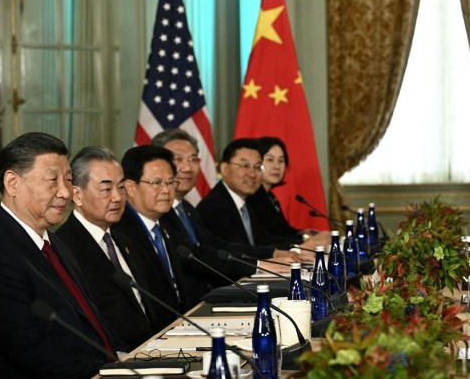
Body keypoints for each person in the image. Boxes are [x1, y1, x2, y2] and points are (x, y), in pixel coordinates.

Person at [0, 132, 117, 379]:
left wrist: (124, 359)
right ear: (13, 183)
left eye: (69, 180)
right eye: (53, 181)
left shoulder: (52, 240)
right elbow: (27, 347)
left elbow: (88, 318)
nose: (65, 192)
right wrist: (107, 370)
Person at [150, 129, 299, 281]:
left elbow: (217, 245)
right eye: (178, 159)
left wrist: (274, 254)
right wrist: (259, 264)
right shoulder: (163, 211)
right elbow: (196, 255)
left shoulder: (187, 208)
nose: (187, 168)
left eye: (193, 159)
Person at [56, 146, 160, 350]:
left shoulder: (125, 240)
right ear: (76, 195)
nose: (117, 198)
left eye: (121, 188)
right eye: (106, 189)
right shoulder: (64, 248)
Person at [112, 145, 209, 326]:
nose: (166, 190)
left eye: (170, 182)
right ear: (131, 187)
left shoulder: (166, 228)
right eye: (156, 183)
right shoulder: (120, 233)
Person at [246, 136, 331, 247]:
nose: (277, 166)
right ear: (257, 163)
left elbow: (282, 230)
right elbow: (268, 237)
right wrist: (304, 239)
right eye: (270, 160)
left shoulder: (270, 196)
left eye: (281, 161)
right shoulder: (253, 197)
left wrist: (302, 232)